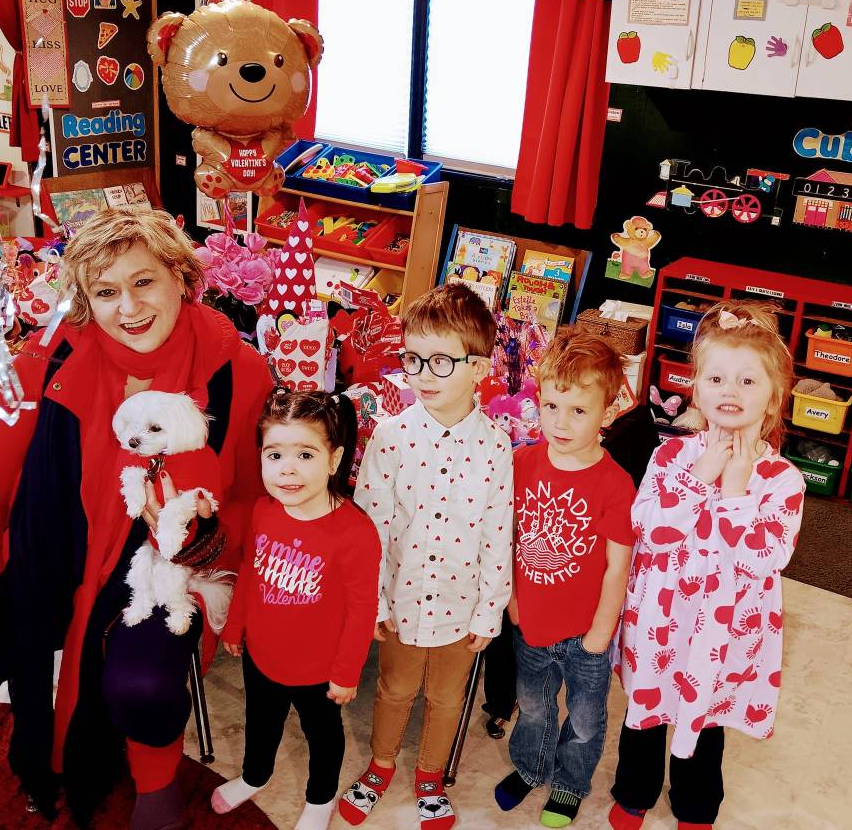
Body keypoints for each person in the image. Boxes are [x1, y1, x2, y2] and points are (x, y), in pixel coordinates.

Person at [0, 205, 272, 830]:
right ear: (85, 299)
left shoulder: (237, 371)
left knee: (143, 685)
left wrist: (206, 540)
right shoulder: (41, 362)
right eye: (105, 292)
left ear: (182, 278)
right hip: (42, 556)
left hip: (163, 568)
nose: (128, 308)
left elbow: (249, 499)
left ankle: (156, 792)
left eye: (144, 281)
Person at [608, 301, 805, 830]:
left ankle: (696, 804)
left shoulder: (783, 480)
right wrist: (699, 477)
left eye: (747, 380)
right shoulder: (669, 457)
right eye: (716, 378)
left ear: (773, 396)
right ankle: (634, 792)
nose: (729, 390)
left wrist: (736, 492)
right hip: (663, 618)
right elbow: (649, 529)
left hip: (726, 627)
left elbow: (766, 559)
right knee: (645, 711)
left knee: (706, 720)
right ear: (695, 388)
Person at [339, 283, 514, 830]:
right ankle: (380, 764)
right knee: (394, 689)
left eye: (440, 361)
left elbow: (498, 533)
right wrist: (371, 602)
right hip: (401, 597)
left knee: (446, 697)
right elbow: (371, 526)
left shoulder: (496, 445)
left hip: (462, 606)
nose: (422, 374)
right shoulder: (391, 437)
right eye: (413, 358)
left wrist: (490, 610)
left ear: (478, 368)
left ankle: (431, 777)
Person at [214, 388, 380, 830]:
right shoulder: (263, 511)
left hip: (319, 670)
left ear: (334, 459)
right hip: (261, 656)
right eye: (274, 455)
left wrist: (346, 672)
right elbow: (250, 571)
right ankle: (255, 775)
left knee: (322, 736)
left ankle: (320, 799)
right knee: (260, 723)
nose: (287, 468)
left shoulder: (355, 532)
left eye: (305, 454)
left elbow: (362, 609)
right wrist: (234, 625)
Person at [493, 328, 635, 828]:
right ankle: (530, 768)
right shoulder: (521, 464)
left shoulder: (616, 484)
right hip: (531, 622)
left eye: (578, 410)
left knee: (585, 719)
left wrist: (601, 631)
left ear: (607, 412)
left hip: (586, 635)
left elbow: (618, 565)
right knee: (533, 708)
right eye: (551, 406)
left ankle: (570, 783)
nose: (560, 422)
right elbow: (506, 538)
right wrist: (512, 600)